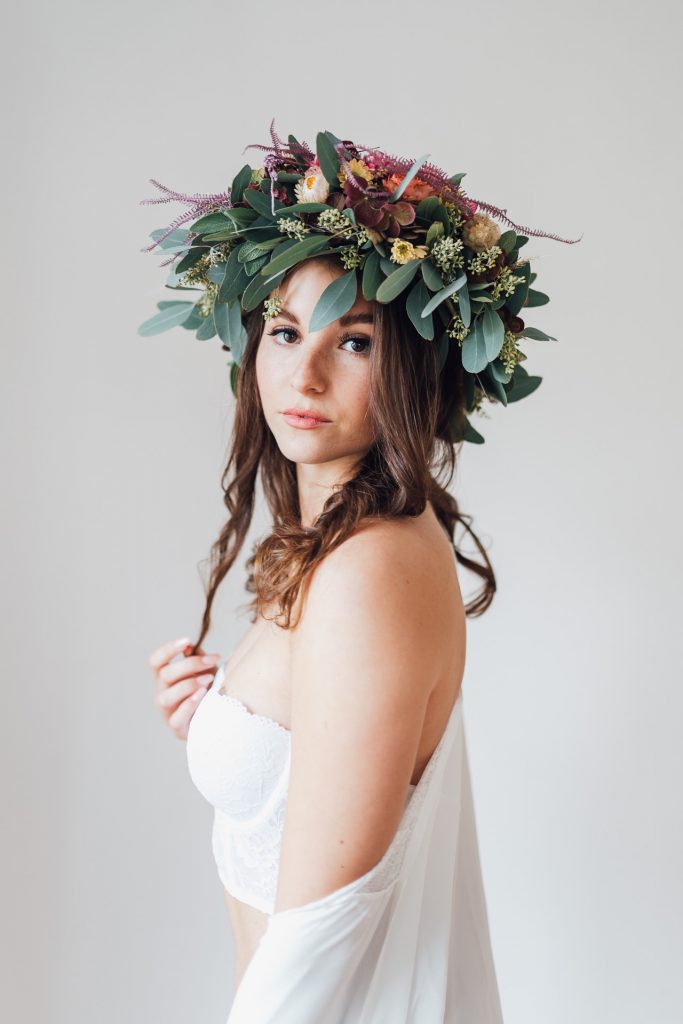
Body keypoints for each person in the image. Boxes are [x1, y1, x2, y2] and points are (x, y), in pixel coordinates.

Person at [143, 125, 574, 1021]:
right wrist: (229, 728)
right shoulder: (344, 544)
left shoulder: (369, 568)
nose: (302, 373)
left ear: (414, 363)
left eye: (355, 342)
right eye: (285, 329)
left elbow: (317, 939)